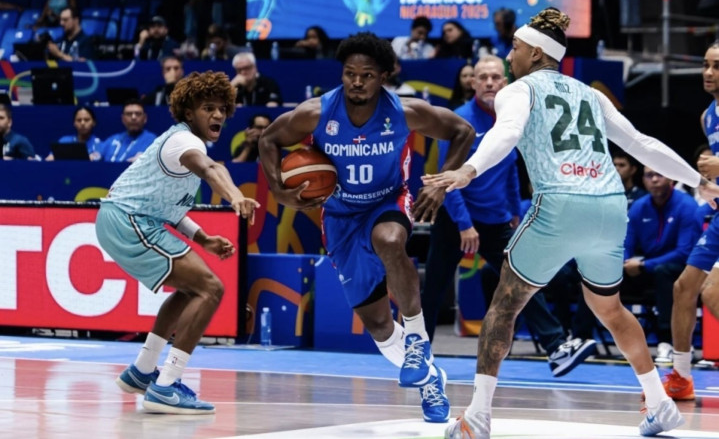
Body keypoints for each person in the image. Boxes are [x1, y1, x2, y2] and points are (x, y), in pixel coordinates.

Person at [421, 7, 719, 438]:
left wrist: (467, 171)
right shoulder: (591, 94)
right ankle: (659, 403)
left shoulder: (518, 90)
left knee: (505, 305)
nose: (509, 56)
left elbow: (506, 133)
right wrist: (699, 182)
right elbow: (642, 144)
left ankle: (477, 417)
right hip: (610, 207)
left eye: (515, 48)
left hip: (560, 205)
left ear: (536, 53)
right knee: (610, 308)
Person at [258, 32, 475, 423]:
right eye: (350, 74)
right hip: (340, 217)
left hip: (387, 201)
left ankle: (417, 341)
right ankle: (431, 380)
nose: (357, 82)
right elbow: (269, 139)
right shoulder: (316, 112)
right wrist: (278, 190)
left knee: (389, 240)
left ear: (383, 76)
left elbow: (463, 131)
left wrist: (443, 183)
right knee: (377, 324)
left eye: (367, 75)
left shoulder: (405, 111)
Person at [96, 70, 259, 414]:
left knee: (191, 290)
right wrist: (234, 196)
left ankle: (142, 371)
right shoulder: (185, 142)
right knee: (211, 288)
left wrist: (202, 238)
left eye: (222, 109)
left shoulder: (181, 142)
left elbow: (167, 208)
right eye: (208, 108)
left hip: (129, 219)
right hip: (128, 220)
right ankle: (166, 385)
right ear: (189, 112)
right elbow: (212, 170)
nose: (217, 115)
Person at [421, 55, 595, 377]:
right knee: (433, 288)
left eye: (495, 77)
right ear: (473, 83)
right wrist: (464, 225)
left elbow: (511, 168)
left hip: (496, 219)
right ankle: (420, 354)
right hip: (456, 219)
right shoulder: (458, 121)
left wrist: (514, 210)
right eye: (482, 77)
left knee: (522, 277)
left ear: (505, 82)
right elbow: (447, 178)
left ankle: (556, 347)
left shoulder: (511, 117)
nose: (489, 82)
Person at [661, 41, 719, 401]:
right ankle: (681, 377)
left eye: (717, 66)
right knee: (684, 288)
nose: (709, 73)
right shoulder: (707, 116)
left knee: (711, 291)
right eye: (706, 65)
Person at [623, 166, 700, 364]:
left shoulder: (687, 205)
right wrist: (623, 262)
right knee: (599, 276)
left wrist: (644, 265)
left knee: (663, 272)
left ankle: (666, 341)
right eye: (649, 175)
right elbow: (626, 243)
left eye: (659, 174)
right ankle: (581, 337)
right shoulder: (639, 206)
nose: (654, 180)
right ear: (643, 179)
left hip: (679, 269)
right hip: (646, 268)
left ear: (671, 179)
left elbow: (684, 252)